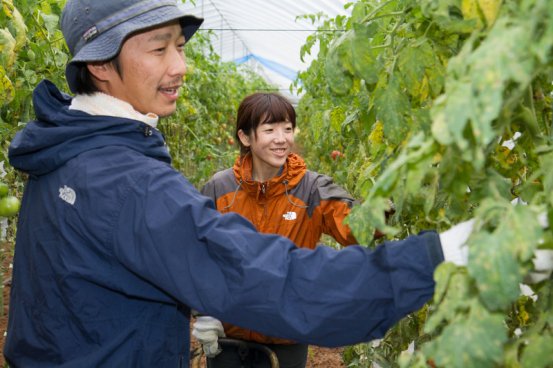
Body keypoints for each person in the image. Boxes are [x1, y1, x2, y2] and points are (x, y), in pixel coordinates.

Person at [3, 0, 550, 367]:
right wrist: (444, 256)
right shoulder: (133, 183)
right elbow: (271, 279)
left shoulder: (64, 152)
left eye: (181, 47)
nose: (181, 66)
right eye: (159, 47)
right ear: (101, 67)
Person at [197, 92, 360, 368]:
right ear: (245, 137)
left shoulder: (311, 189)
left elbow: (357, 227)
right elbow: (197, 251)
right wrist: (203, 312)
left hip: (286, 338)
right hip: (228, 339)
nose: (282, 138)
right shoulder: (220, 188)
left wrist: (390, 208)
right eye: (270, 129)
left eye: (287, 128)